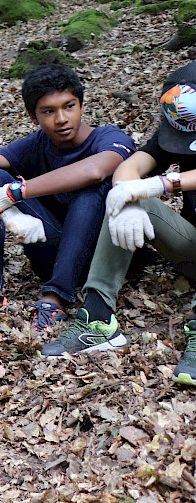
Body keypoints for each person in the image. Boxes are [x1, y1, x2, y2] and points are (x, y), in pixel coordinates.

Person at [0, 64, 134, 334]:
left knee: (91, 191)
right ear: (33, 116)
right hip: (50, 250)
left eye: (69, 106)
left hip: (105, 257)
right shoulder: (37, 144)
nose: (61, 118)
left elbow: (93, 171)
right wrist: (10, 215)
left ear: (82, 106)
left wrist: (13, 194)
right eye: (49, 111)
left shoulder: (109, 138)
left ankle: (55, 300)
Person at [41, 63, 196, 384]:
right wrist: (128, 196)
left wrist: (161, 185)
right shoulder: (179, 125)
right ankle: (98, 320)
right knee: (122, 196)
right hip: (191, 249)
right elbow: (130, 167)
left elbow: (158, 182)